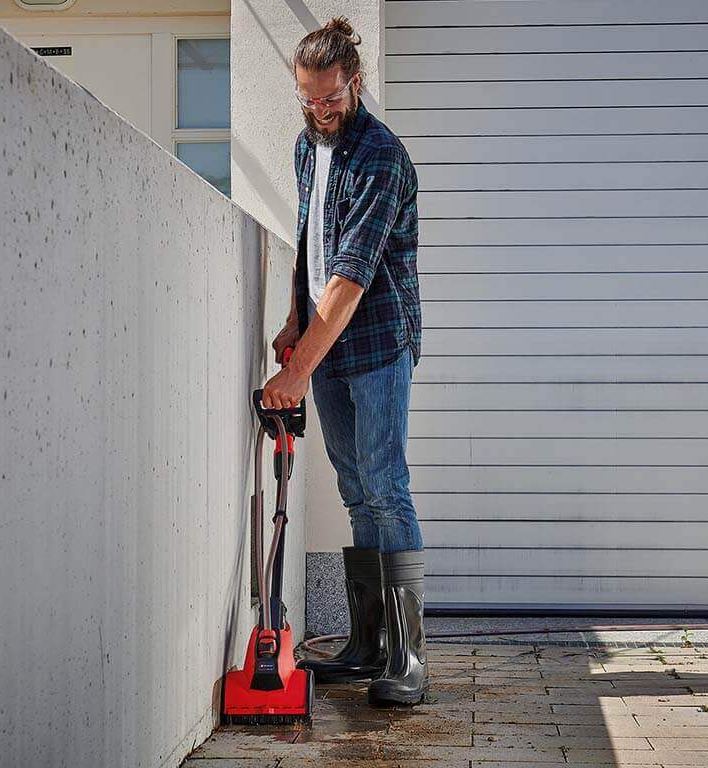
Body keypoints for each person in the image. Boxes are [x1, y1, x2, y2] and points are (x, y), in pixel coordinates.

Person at [259, 16, 427, 706]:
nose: (320, 111)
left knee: (386, 487)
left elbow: (352, 276)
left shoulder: (380, 157)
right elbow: (312, 245)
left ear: (354, 83)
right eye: (308, 99)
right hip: (327, 341)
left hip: (378, 339)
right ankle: (367, 645)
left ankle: (409, 659)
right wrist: (295, 326)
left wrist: (294, 374)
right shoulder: (308, 147)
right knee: (355, 489)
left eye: (331, 98)